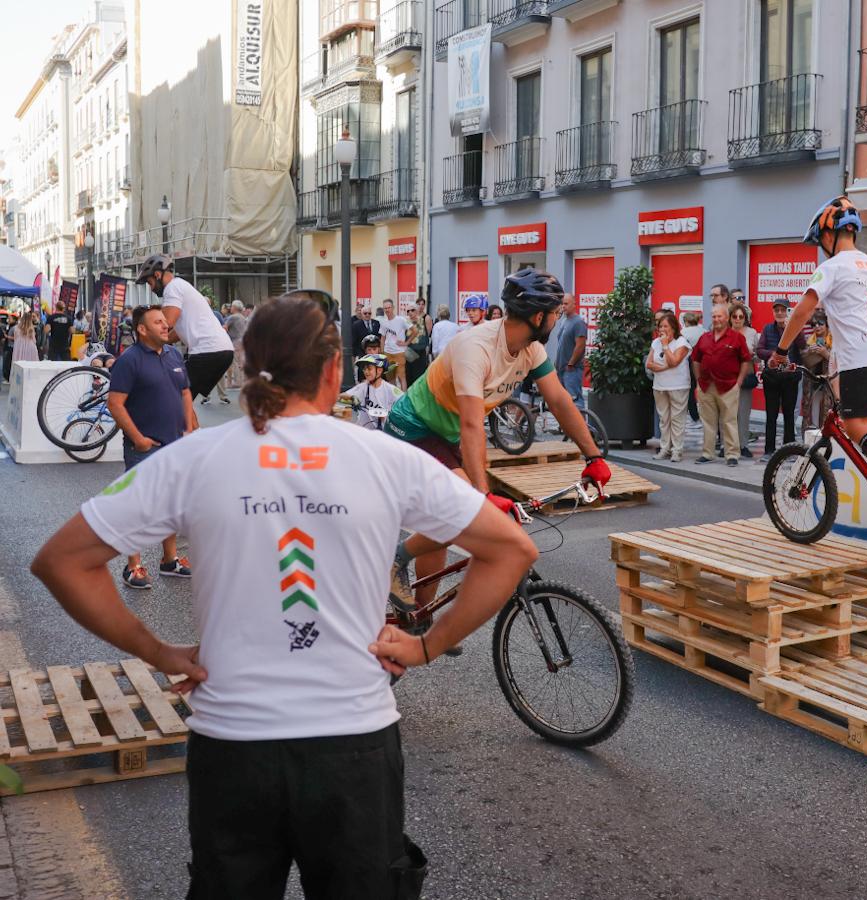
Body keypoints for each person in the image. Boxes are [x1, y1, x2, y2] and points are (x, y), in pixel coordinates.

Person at [31, 290, 536, 898]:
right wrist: (428, 645)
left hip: (233, 746)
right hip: (353, 744)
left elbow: (62, 561)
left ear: (246, 368)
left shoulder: (193, 458)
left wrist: (159, 652)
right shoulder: (385, 459)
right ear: (333, 371)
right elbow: (511, 549)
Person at [385, 268, 610, 615]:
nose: (557, 317)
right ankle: (396, 561)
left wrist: (592, 456)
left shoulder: (530, 349)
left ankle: (420, 616)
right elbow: (475, 424)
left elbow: (560, 400)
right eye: (554, 312)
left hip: (447, 432)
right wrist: (483, 494)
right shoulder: (476, 347)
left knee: (444, 527)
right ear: (539, 316)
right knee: (464, 511)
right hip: (414, 427)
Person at [769, 197, 867, 526]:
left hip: (861, 353)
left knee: (854, 425)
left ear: (828, 234)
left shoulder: (832, 267)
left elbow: (803, 310)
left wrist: (780, 352)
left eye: (820, 240)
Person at [104, 306, 193, 590]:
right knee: (139, 507)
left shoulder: (174, 355)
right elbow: (115, 404)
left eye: (165, 321)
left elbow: (185, 391)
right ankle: (133, 567)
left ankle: (169, 560)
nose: (166, 325)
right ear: (142, 330)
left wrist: (190, 427)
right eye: (158, 322)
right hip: (145, 448)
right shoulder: (129, 361)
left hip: (176, 444)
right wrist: (138, 438)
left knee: (171, 505)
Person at [135, 255, 234, 417]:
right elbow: (174, 334)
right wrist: (159, 344)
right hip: (220, 351)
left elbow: (165, 323)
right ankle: (192, 435)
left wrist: (143, 345)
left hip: (208, 352)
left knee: (175, 398)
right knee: (182, 399)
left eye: (149, 282)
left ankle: (187, 438)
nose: (151, 288)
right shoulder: (181, 286)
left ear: (157, 275)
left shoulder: (172, 288)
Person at [692, 304, 751, 467]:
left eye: (720, 316)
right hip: (706, 386)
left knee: (729, 421)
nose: (717, 319)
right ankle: (707, 453)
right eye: (714, 316)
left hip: (728, 386)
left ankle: (732, 454)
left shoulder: (737, 338)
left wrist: (739, 382)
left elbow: (746, 361)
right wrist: (698, 380)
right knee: (708, 422)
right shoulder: (704, 338)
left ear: (726, 318)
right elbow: (696, 359)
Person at [757, 300, 803, 457]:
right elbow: (759, 350)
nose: (780, 313)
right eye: (777, 310)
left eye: (783, 310)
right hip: (772, 378)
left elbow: (803, 347)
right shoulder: (767, 329)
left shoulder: (795, 327)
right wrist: (774, 354)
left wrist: (793, 329)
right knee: (771, 415)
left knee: (789, 415)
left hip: (790, 378)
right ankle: (769, 450)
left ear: (788, 312)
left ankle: (788, 450)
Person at [646, 312, 691, 462]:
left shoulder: (681, 342)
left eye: (666, 326)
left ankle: (677, 450)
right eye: (660, 326)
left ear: (673, 327)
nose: (662, 329)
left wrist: (665, 346)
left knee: (677, 419)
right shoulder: (655, 342)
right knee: (664, 419)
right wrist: (665, 367)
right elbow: (649, 364)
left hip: (678, 386)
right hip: (659, 386)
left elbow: (674, 361)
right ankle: (665, 448)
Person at [729, 302, 759, 460]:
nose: (738, 319)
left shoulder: (752, 333)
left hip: (746, 375)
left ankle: (743, 445)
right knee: (728, 414)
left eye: (741, 316)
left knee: (743, 412)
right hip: (727, 378)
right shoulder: (725, 332)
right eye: (735, 316)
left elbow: (757, 356)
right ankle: (729, 445)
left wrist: (749, 353)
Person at [341, 353, 399, 429]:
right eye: (364, 369)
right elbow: (340, 396)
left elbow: (405, 407)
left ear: (379, 370)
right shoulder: (362, 387)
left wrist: (389, 416)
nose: (366, 372)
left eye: (369, 368)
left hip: (383, 433)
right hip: (362, 431)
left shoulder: (391, 389)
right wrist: (352, 397)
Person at [554, 293, 588, 411]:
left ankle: (581, 428)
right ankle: (565, 428)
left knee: (575, 402)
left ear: (574, 304)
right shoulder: (564, 321)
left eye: (566, 304)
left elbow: (580, 345)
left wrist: (571, 363)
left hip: (572, 370)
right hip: (561, 369)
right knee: (564, 401)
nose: (563, 306)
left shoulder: (578, 322)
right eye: (562, 304)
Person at [381, 299, 414, 391]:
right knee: (390, 378)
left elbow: (414, 331)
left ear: (393, 308)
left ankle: (403, 399)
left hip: (399, 352)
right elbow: (382, 338)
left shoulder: (401, 320)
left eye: (389, 307)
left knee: (401, 377)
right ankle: (394, 399)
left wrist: (406, 342)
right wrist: (382, 352)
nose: (387, 310)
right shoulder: (383, 322)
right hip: (388, 352)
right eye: (385, 308)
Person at [680, 311, 705, 423]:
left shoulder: (683, 333)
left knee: (690, 390)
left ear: (685, 321)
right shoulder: (703, 331)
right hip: (703, 362)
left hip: (688, 363)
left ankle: (694, 414)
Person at [223, 300, 250, 389]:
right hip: (243, 340)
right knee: (242, 361)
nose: (230, 308)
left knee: (234, 362)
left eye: (231, 306)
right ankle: (243, 381)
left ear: (234, 308)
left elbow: (225, 328)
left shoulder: (232, 317)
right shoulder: (242, 317)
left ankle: (237, 382)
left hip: (235, 341)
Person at [404, 302, 431, 386]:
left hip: (421, 354)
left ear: (417, 311)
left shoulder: (424, 320)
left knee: (420, 379)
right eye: (408, 311)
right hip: (409, 355)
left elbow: (428, 335)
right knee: (409, 378)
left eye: (412, 310)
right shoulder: (405, 323)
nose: (410, 313)